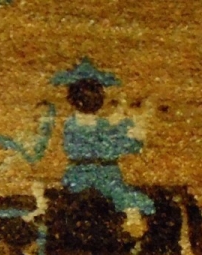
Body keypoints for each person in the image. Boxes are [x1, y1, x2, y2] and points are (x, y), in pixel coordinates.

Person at [52, 58, 154, 235]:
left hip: (76, 175)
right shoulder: (103, 127)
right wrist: (134, 134)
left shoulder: (71, 123)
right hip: (104, 175)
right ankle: (133, 220)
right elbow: (116, 146)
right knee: (124, 195)